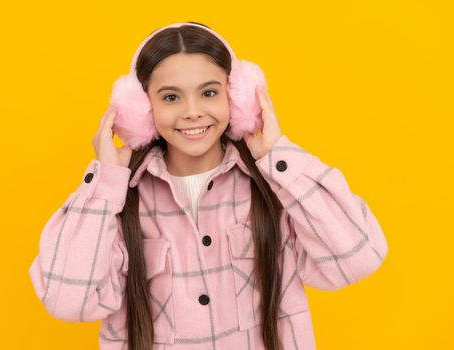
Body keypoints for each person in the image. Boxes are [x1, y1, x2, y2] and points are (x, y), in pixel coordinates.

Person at [28, 22, 389, 350]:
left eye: (209, 93)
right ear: (140, 109)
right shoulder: (120, 201)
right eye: (170, 97)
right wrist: (105, 184)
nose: (192, 111)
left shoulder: (275, 188)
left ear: (238, 98)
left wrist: (278, 155)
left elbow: (357, 258)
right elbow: (67, 301)